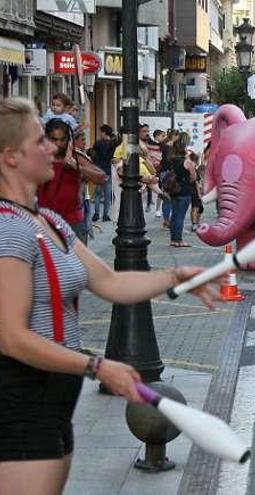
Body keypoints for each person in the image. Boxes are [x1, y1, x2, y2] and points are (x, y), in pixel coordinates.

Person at [0, 97, 219, 495]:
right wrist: (99, 367)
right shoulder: (8, 230)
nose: (55, 147)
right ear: (10, 157)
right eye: (40, 140)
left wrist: (176, 275)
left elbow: (110, 283)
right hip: (19, 399)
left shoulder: (46, 221)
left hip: (53, 399)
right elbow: (11, 337)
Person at [38, 119, 106, 246]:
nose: (58, 144)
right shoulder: (38, 158)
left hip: (72, 223)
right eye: (54, 139)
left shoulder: (76, 157)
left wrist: (75, 166)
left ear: (68, 140)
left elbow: (101, 177)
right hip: (44, 223)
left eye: (62, 140)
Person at [167, 133, 196, 248]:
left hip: (173, 190)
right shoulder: (187, 162)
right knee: (180, 217)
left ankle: (173, 240)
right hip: (184, 190)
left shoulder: (172, 160)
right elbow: (193, 177)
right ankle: (179, 240)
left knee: (174, 215)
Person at [90, 125, 116, 222]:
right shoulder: (112, 145)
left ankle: (96, 214)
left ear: (104, 132)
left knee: (97, 193)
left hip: (98, 170)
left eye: (101, 132)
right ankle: (106, 215)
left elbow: (93, 155)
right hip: (108, 171)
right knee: (107, 194)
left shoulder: (98, 143)